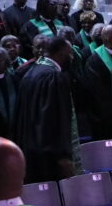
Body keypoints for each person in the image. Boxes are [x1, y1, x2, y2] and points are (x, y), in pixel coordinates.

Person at [11, 36, 79, 182]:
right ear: (61, 53)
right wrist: (63, 155)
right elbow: (54, 119)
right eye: (70, 54)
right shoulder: (53, 77)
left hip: (30, 149)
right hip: (50, 155)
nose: (72, 58)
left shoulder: (29, 73)